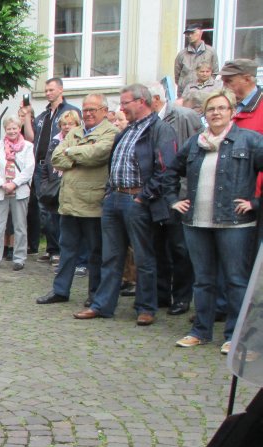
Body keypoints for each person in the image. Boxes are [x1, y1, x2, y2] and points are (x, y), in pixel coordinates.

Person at [163, 89, 263, 353]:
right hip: (197, 222)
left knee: (235, 280)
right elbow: (170, 171)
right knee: (203, 280)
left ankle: (234, 336)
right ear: (204, 114)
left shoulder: (249, 140)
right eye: (211, 109)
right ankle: (200, 331)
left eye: (221, 108)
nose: (216, 113)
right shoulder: (195, 143)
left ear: (232, 111)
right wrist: (173, 200)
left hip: (235, 224)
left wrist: (255, 203)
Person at [74, 84, 177, 326]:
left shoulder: (160, 129)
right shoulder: (127, 130)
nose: (121, 108)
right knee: (110, 257)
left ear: (142, 102)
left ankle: (146, 307)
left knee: (143, 257)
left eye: (125, 103)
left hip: (137, 200)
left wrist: (143, 197)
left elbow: (166, 169)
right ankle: (102, 305)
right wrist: (109, 193)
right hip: (115, 199)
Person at [36, 94, 118, 306]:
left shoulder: (111, 132)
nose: (88, 113)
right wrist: (78, 156)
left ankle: (95, 294)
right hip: (69, 202)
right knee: (66, 249)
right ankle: (60, 290)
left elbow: (98, 154)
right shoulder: (75, 131)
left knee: (95, 252)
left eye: (92, 109)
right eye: (85, 109)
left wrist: (71, 152)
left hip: (93, 203)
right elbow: (56, 158)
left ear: (104, 111)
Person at [149, 81, 201, 316]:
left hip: (179, 194)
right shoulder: (148, 122)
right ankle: (161, 294)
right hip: (155, 194)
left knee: (180, 248)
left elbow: (195, 151)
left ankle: (181, 297)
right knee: (158, 247)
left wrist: (187, 191)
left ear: (155, 100)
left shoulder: (184, 116)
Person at [21, 77, 80, 258]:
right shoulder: (43, 115)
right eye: (46, 90)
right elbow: (31, 137)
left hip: (60, 168)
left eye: (51, 90)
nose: (47, 93)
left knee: (60, 209)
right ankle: (52, 248)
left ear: (61, 90)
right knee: (45, 210)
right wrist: (27, 116)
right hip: (41, 167)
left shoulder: (70, 112)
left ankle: (63, 251)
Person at [0, 117, 34, 270]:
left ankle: (19, 258)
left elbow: (29, 169)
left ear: (19, 129)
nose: (12, 131)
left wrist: (14, 183)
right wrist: (2, 184)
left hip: (19, 191)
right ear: (5, 129)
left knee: (20, 226)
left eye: (15, 128)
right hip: (0, 191)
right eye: (9, 128)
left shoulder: (28, 146)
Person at [174, 24, 219, 93]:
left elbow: (215, 72)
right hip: (185, 93)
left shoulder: (211, 52)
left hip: (205, 93)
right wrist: (183, 86)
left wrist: (206, 86)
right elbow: (177, 76)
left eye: (192, 33)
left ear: (201, 33)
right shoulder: (182, 54)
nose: (190, 36)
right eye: (188, 34)